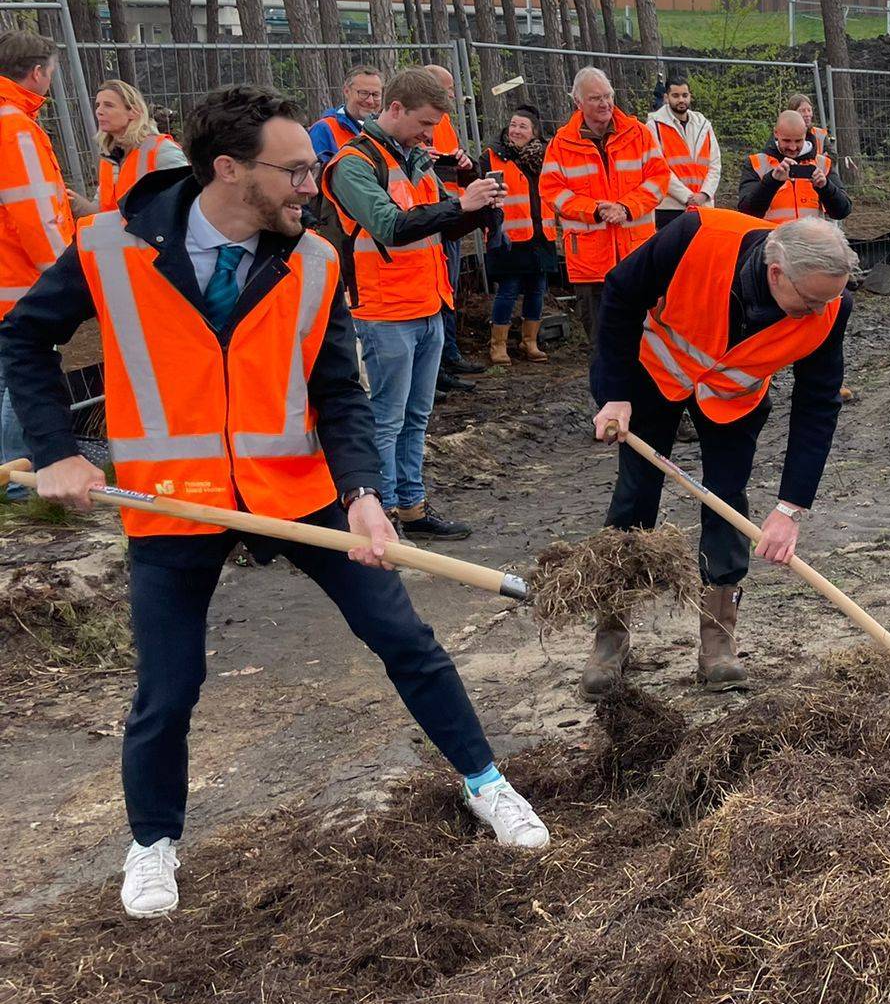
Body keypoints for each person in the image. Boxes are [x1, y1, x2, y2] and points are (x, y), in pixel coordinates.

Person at [0, 85, 549, 921]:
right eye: (295, 171)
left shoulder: (315, 258)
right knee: (168, 688)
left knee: (404, 636)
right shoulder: (110, 246)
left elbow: (340, 390)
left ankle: (486, 781)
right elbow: (20, 337)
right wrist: (56, 453)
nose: (310, 185)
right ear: (228, 169)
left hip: (297, 492)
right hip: (173, 502)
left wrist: (365, 497)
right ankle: (153, 843)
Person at [585, 210, 856, 696]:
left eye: (828, 299)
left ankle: (719, 640)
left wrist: (790, 508)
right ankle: (611, 634)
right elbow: (621, 293)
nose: (818, 311)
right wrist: (613, 392)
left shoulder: (830, 307)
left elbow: (817, 404)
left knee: (727, 500)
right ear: (777, 272)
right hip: (655, 376)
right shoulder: (696, 236)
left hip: (733, 398)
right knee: (635, 496)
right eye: (810, 299)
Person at [321, 66, 504, 542]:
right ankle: (376, 520)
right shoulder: (353, 164)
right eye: (425, 123)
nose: (430, 134)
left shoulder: (414, 159)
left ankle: (412, 508)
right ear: (395, 109)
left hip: (426, 303)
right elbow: (391, 226)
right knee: (385, 420)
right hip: (382, 312)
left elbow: (437, 225)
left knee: (414, 418)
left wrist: (478, 208)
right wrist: (460, 208)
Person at [539, 66, 668, 342]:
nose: (605, 103)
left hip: (637, 253)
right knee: (602, 341)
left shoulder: (638, 133)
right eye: (596, 98)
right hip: (590, 262)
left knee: (648, 339)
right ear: (578, 103)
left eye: (608, 96)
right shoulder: (561, 143)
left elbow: (659, 178)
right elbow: (551, 191)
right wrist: (595, 210)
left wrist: (625, 208)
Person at [0, 30, 75, 497]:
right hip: (18, 286)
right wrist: (67, 278)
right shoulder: (17, 129)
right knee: (19, 379)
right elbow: (35, 214)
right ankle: (17, 483)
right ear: (38, 72)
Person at [422, 64, 485, 388]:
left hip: (452, 215)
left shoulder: (444, 122)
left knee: (449, 289)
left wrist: (463, 162)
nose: (451, 94)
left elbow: (453, 169)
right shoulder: (418, 123)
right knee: (439, 291)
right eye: (446, 88)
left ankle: (449, 355)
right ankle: (439, 365)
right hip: (432, 217)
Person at [483, 106, 553, 366]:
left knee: (537, 290)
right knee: (508, 290)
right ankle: (498, 345)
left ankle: (529, 342)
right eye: (513, 125)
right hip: (509, 237)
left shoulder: (546, 158)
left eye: (522, 126)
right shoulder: (493, 156)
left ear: (534, 132)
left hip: (541, 235)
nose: (516, 130)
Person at [736, 110, 852, 223]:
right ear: (776, 133)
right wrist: (772, 181)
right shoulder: (756, 163)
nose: (792, 147)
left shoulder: (822, 164)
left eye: (798, 141)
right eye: (786, 141)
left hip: (811, 241)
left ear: (805, 134)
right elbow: (746, 212)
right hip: (773, 241)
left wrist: (825, 187)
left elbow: (842, 211)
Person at [95, 80, 188, 216]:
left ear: (134, 112)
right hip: (118, 236)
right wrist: (73, 203)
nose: (99, 111)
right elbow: (101, 210)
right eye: (98, 105)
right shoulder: (109, 157)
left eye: (108, 105)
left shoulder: (160, 150)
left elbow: (185, 203)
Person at [648, 74, 721, 230]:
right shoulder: (654, 126)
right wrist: (687, 197)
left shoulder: (704, 125)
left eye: (684, 95)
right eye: (676, 95)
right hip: (670, 207)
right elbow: (659, 168)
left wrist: (704, 194)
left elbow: (715, 165)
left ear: (690, 97)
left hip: (703, 204)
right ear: (666, 97)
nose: (681, 100)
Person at [308, 65, 384, 165]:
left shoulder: (384, 131)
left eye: (375, 95)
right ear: (346, 91)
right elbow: (316, 176)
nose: (370, 101)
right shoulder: (324, 130)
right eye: (363, 93)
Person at [784, 92, 830, 158]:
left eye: (809, 110)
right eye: (802, 111)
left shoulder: (820, 134)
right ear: (792, 113)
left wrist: (824, 159)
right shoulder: (782, 135)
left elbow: (832, 158)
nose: (807, 114)